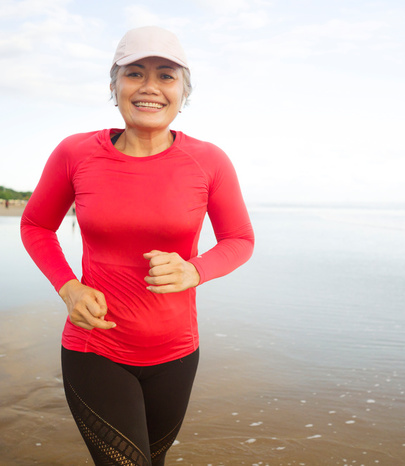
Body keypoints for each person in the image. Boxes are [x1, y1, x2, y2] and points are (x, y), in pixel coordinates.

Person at [20, 26, 254, 466]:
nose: (150, 87)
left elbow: (240, 240)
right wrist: (68, 287)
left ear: (184, 91)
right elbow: (35, 225)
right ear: (113, 86)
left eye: (166, 76)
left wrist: (195, 270)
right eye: (134, 73)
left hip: (177, 355)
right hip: (95, 349)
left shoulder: (209, 161)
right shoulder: (76, 154)